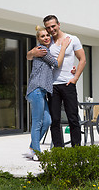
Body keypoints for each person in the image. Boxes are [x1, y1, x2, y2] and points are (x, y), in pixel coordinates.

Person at [27, 15, 86, 147]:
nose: (51, 30)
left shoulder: (72, 39)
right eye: (48, 28)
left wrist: (75, 77)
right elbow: (29, 55)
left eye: (53, 26)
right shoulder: (47, 42)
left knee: (73, 118)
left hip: (68, 83)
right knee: (55, 120)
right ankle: (58, 150)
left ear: (59, 24)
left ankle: (77, 149)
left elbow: (82, 59)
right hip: (52, 85)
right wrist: (33, 54)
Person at [25, 25, 70, 160]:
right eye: (42, 36)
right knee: (38, 122)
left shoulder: (44, 50)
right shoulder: (43, 50)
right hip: (36, 90)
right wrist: (63, 47)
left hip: (41, 92)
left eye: (47, 35)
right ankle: (37, 152)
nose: (46, 38)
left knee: (47, 120)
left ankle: (33, 146)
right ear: (38, 39)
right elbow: (56, 64)